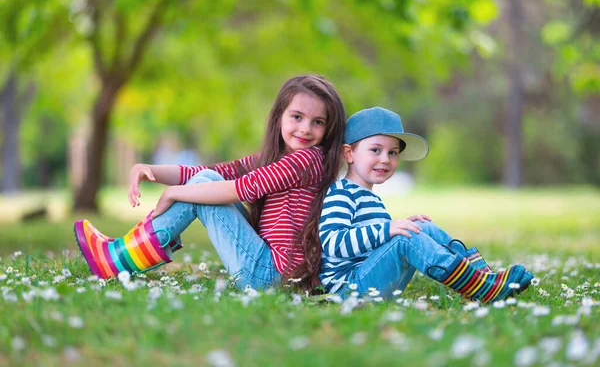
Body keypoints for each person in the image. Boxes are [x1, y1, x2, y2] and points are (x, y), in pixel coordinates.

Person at [74, 75, 346, 290]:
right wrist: (148, 169)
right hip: (269, 269)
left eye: (317, 122)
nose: (306, 129)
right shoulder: (278, 158)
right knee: (205, 179)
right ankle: (123, 255)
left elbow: (240, 189)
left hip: (269, 276)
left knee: (202, 185)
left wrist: (173, 193)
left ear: (328, 129)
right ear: (280, 117)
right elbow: (214, 171)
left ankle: (119, 259)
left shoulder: (307, 159)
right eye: (297, 117)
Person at [318, 107, 533, 303]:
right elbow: (333, 242)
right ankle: (480, 288)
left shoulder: (371, 197)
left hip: (371, 280)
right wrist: (389, 230)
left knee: (421, 227)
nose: (385, 159)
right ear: (349, 153)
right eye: (376, 150)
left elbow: (374, 244)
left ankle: (482, 275)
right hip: (349, 289)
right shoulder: (341, 193)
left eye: (392, 152)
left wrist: (397, 228)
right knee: (404, 239)